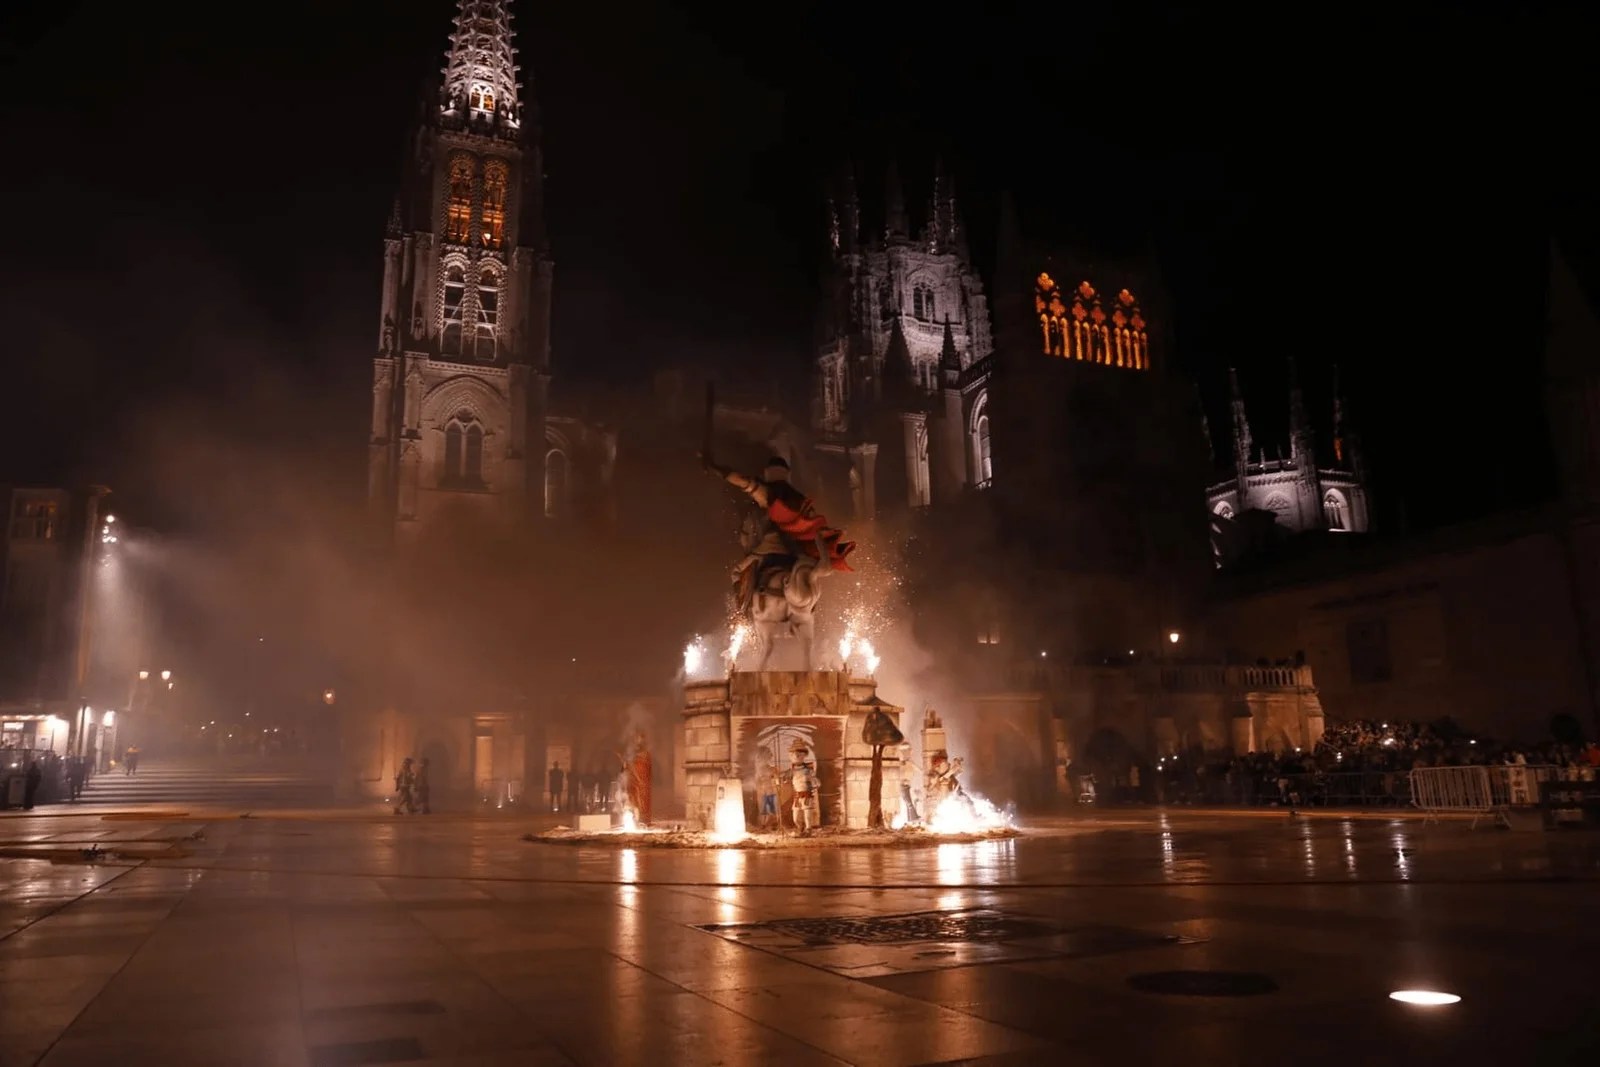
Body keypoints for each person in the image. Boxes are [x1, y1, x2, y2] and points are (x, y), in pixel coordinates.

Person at [702, 455, 855, 613]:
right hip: (796, 554)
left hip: (766, 551)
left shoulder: (767, 494)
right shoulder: (800, 499)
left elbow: (741, 480)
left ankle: (742, 616)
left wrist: (715, 467)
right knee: (809, 579)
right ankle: (810, 610)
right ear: (786, 474)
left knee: (736, 572)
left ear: (768, 472)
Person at [789, 743, 820, 835]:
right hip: (797, 796)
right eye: (794, 754)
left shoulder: (809, 770)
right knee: (795, 817)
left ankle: (808, 830)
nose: (796, 756)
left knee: (807, 815)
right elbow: (783, 779)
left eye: (798, 754)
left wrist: (814, 783)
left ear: (804, 756)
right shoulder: (792, 771)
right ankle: (800, 829)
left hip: (807, 795)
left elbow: (817, 783)